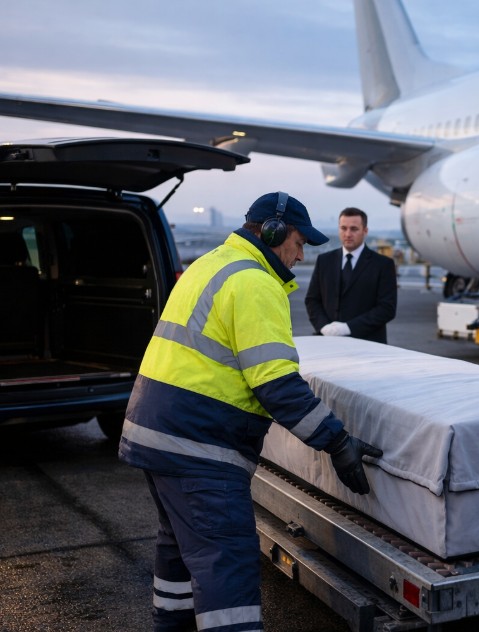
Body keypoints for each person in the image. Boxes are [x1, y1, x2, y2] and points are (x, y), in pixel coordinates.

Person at [119, 192, 383, 632]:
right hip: (199, 447)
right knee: (227, 562)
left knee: (180, 551)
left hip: (156, 435)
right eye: (300, 242)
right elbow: (276, 384)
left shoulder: (210, 264)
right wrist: (337, 442)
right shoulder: (255, 282)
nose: (302, 255)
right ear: (274, 232)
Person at [306, 207, 398, 343]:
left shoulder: (383, 264)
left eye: (354, 229)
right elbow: (312, 300)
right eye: (343, 228)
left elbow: (387, 308)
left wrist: (348, 328)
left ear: (365, 231)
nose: (348, 234)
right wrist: (324, 327)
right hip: (328, 342)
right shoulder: (324, 261)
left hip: (369, 344)